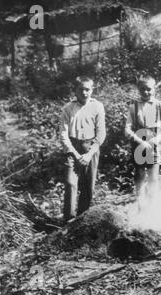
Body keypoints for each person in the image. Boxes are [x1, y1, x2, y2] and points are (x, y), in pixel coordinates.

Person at [60, 76, 106, 222]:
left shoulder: (97, 106)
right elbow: (63, 134)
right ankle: (68, 220)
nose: (84, 93)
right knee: (70, 182)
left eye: (88, 89)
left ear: (92, 90)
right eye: (81, 89)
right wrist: (74, 153)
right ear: (75, 90)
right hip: (72, 148)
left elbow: (101, 132)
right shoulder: (68, 108)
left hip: (90, 146)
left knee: (88, 185)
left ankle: (81, 221)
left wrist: (89, 154)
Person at [125, 76, 161, 209]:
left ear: (154, 89)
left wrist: (157, 139)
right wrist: (138, 140)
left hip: (155, 143)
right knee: (139, 175)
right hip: (139, 143)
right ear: (138, 90)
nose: (146, 92)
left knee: (153, 177)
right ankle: (140, 204)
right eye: (142, 89)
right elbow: (127, 129)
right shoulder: (133, 106)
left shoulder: (160, 106)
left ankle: (151, 205)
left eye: (149, 89)